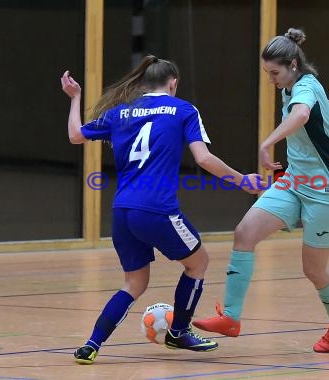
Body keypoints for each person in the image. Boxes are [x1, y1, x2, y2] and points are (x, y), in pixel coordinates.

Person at [60, 55, 261, 364]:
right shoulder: (183, 110)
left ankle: (91, 344)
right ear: (173, 83)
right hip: (156, 209)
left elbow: (76, 135)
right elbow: (204, 159)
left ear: (143, 84)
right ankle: (178, 332)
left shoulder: (121, 112)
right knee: (198, 263)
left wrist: (75, 99)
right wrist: (242, 180)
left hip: (122, 211)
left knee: (134, 283)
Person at [193, 28, 329, 353]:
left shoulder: (307, 87)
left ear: (293, 64)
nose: (271, 79)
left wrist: (268, 141)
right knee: (244, 233)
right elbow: (325, 111)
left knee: (313, 270)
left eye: (275, 73)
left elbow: (302, 114)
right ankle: (231, 317)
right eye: (267, 73)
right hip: (295, 182)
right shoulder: (292, 87)